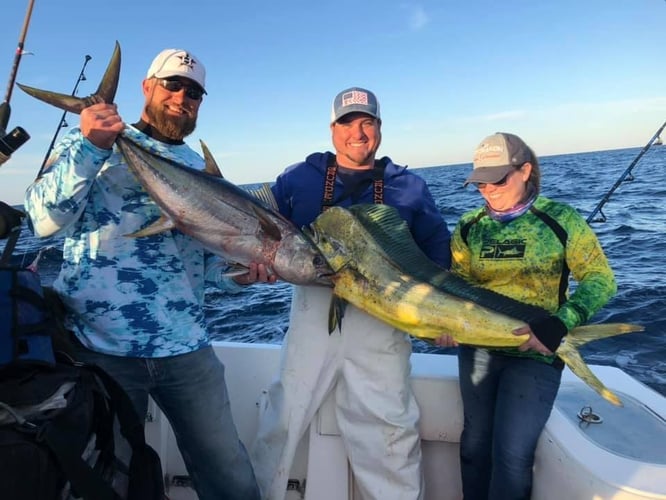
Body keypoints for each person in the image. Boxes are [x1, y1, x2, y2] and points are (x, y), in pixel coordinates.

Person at [23, 48, 260, 500]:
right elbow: (43, 221)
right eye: (172, 84)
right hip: (99, 348)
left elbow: (208, 268)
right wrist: (93, 145)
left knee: (230, 476)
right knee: (110, 477)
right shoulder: (88, 143)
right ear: (147, 86)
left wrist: (243, 277)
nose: (182, 97)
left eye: (193, 92)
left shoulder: (198, 168)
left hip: (187, 347)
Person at [248, 87, 452, 500]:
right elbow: (256, 225)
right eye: (347, 122)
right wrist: (251, 266)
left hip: (383, 323)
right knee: (283, 417)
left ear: (379, 128)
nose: (357, 132)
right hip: (312, 315)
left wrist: (441, 316)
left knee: (390, 429)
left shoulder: (409, 187)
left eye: (367, 122)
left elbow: (438, 257)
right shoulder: (296, 179)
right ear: (332, 129)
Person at [441, 132, 617, 499]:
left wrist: (560, 324)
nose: (488, 189)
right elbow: (457, 289)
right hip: (478, 349)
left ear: (525, 170)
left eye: (498, 179)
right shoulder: (469, 227)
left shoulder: (560, 218)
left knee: (511, 455)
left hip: (537, 352)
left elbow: (601, 280)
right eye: (480, 182)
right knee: (474, 447)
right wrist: (442, 326)